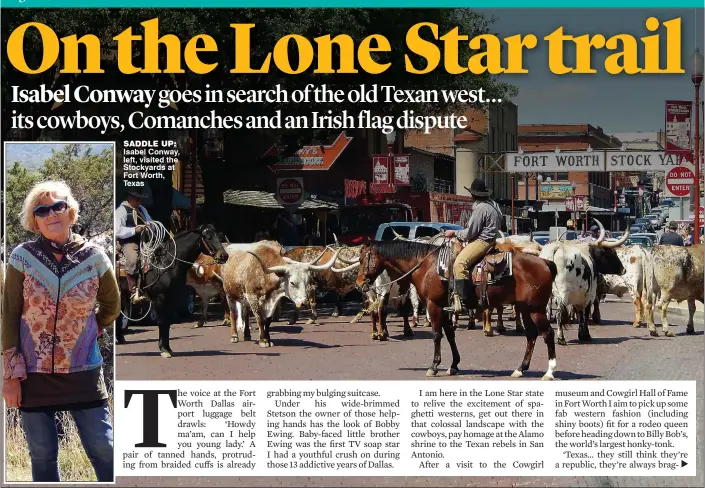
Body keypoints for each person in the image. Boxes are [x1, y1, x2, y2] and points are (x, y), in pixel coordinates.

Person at [2, 180, 120, 482]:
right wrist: (10, 376)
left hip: (84, 371)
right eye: (42, 210)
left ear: (71, 212)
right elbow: (10, 315)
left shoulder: (95, 256)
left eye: (59, 205)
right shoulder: (21, 257)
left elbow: (112, 305)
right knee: (41, 456)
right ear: (35, 220)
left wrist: (90, 330)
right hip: (33, 374)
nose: (52, 213)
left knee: (104, 448)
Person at [443, 179, 504, 313]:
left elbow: (471, 232)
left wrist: (454, 233)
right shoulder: (493, 205)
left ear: (473, 195)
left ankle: (463, 302)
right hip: (492, 240)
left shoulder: (481, 208)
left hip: (482, 241)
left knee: (459, 263)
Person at [115, 187, 152, 304]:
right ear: (129, 198)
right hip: (128, 242)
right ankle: (133, 290)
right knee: (133, 259)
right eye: (137, 198)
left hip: (144, 241)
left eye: (140, 198)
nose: (139, 201)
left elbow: (150, 221)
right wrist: (134, 230)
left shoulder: (142, 209)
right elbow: (117, 230)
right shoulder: (121, 211)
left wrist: (150, 226)